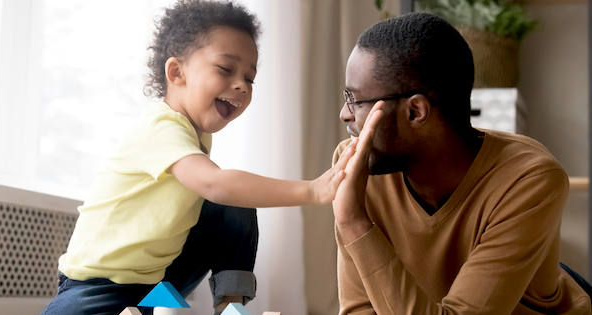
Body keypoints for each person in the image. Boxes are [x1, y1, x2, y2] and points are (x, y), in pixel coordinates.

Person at [40, 1, 355, 315]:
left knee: (234, 203)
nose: (241, 86)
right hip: (97, 286)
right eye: (226, 69)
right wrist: (312, 191)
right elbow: (215, 185)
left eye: (250, 78)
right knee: (226, 190)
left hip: (154, 287)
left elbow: (224, 195)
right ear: (177, 72)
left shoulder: (199, 135)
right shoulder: (159, 128)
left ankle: (232, 307)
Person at [331, 12, 592, 314]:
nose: (345, 114)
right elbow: (359, 309)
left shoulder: (529, 179)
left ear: (415, 112)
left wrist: (354, 222)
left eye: (355, 99)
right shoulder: (359, 168)